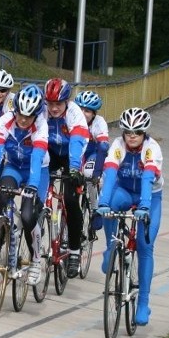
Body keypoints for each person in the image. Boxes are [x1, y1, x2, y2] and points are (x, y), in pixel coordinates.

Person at [96, 107, 163, 326]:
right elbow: (110, 173)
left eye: (137, 132)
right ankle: (110, 247)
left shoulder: (152, 149)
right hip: (123, 190)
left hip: (149, 197)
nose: (132, 136)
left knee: (145, 247)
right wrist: (103, 203)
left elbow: (147, 179)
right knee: (111, 206)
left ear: (145, 134)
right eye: (128, 132)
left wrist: (143, 207)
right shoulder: (117, 146)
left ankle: (143, 302)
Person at [0, 83, 50, 286]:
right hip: (12, 165)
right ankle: (1, 238)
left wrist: (32, 185)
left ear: (36, 115)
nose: (23, 120)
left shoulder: (41, 126)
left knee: (29, 216)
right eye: (20, 114)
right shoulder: (5, 121)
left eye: (28, 117)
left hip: (37, 169)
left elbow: (38, 158)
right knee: (1, 196)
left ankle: (36, 259)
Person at [42, 78, 90, 279]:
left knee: (70, 201)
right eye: (51, 104)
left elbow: (77, 142)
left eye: (58, 104)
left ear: (66, 102)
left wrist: (73, 169)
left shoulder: (74, 113)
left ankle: (74, 251)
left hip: (73, 154)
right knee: (39, 188)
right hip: (51, 152)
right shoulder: (42, 111)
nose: (54, 108)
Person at [74, 90, 110, 236]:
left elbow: (103, 148)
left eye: (87, 111)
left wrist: (96, 174)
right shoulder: (71, 119)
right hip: (78, 152)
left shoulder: (99, 123)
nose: (82, 113)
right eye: (80, 109)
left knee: (89, 174)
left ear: (94, 113)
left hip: (94, 154)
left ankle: (95, 209)